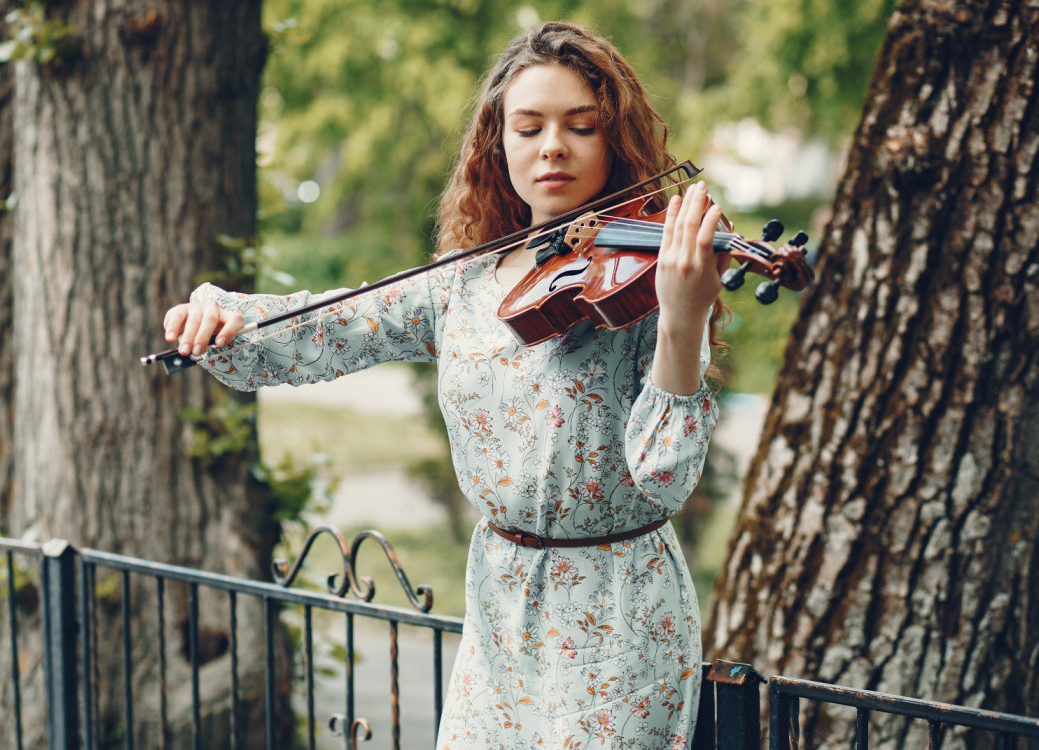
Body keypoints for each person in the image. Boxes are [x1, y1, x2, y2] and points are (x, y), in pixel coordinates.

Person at [162, 21, 725, 749]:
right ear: (500, 145)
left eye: (580, 126)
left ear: (614, 140)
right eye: (529, 128)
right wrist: (226, 315)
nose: (552, 145)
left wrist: (685, 319)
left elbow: (667, 477)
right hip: (499, 603)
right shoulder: (462, 284)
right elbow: (338, 325)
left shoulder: (653, 284)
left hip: (620, 611)